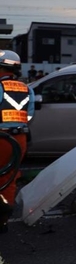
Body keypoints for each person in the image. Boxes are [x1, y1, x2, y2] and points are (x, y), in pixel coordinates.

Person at [0, 50, 35, 232]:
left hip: (1, 138)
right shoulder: (26, 88)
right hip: (19, 138)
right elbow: (29, 115)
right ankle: (3, 220)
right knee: (9, 178)